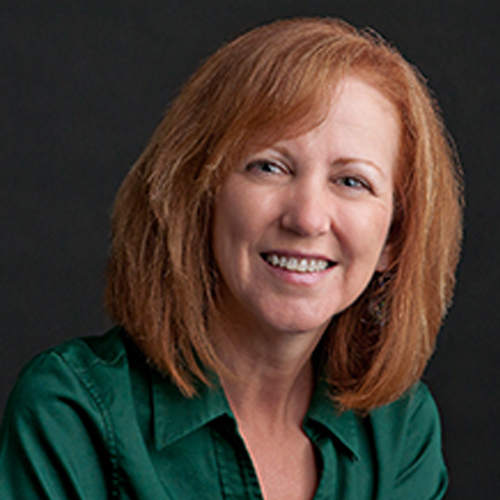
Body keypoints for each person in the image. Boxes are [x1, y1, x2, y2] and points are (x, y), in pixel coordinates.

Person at [0, 17, 462, 500]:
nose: (307, 219)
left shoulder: (400, 431)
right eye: (269, 166)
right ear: (198, 198)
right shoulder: (73, 413)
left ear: (394, 237)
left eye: (352, 181)